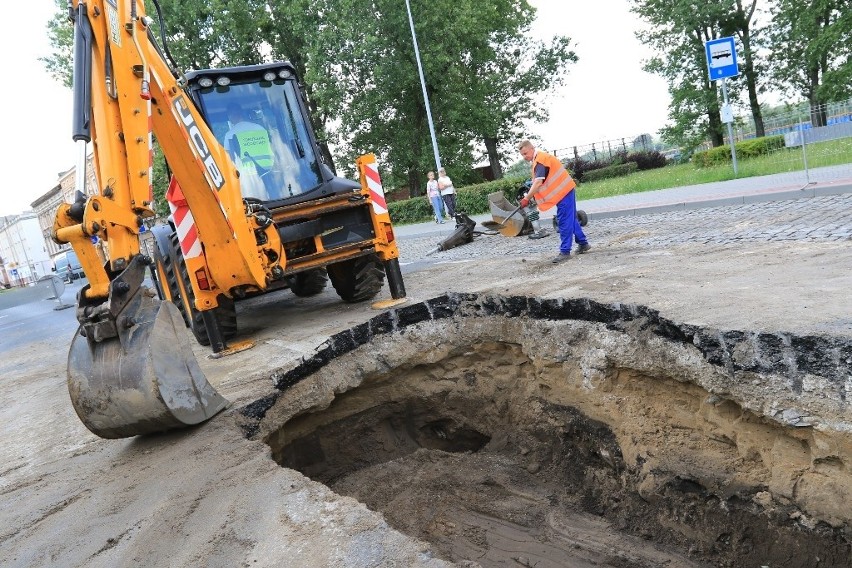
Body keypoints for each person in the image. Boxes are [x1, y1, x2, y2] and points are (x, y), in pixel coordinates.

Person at [517, 139, 590, 264]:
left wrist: (526, 198)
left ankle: (565, 251)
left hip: (564, 192)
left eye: (525, 153)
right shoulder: (539, 159)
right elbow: (540, 182)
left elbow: (538, 182)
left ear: (532, 149)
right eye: (522, 155)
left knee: (563, 221)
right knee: (570, 219)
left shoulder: (540, 160)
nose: (524, 157)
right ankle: (583, 243)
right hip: (564, 191)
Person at [223, 103, 274, 199]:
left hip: (249, 180)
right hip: (270, 175)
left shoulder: (230, 135)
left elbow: (229, 161)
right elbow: (271, 149)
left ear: (231, 115)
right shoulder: (260, 129)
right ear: (241, 113)